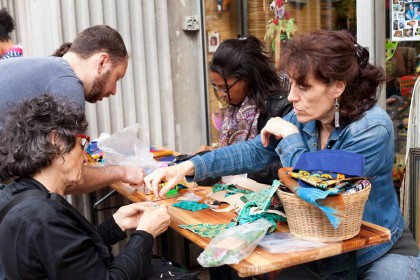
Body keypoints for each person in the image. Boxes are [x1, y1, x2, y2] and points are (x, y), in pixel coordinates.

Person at [145, 30, 420, 279]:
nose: (291, 97)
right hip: (322, 250)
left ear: (337, 86)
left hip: (377, 251)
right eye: (291, 84)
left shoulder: (372, 127)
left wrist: (290, 138)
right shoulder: (307, 116)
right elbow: (254, 151)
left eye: (304, 86)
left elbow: (321, 186)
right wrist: (188, 166)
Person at [0, 94, 170, 279]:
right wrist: (145, 234)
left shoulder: (14, 197)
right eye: (81, 146)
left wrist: (116, 225)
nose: (85, 157)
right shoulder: (45, 219)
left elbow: (73, 260)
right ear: (56, 143)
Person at [0, 25, 143, 194]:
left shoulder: (49, 68)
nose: (114, 91)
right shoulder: (67, 85)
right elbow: (69, 177)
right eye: (117, 78)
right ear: (102, 62)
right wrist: (123, 172)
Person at [198, 35, 292, 184]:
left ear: (247, 78)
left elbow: (287, 165)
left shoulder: (282, 107)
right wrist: (210, 158)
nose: (222, 94)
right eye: (217, 87)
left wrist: (234, 169)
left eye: (225, 88)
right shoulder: (236, 109)